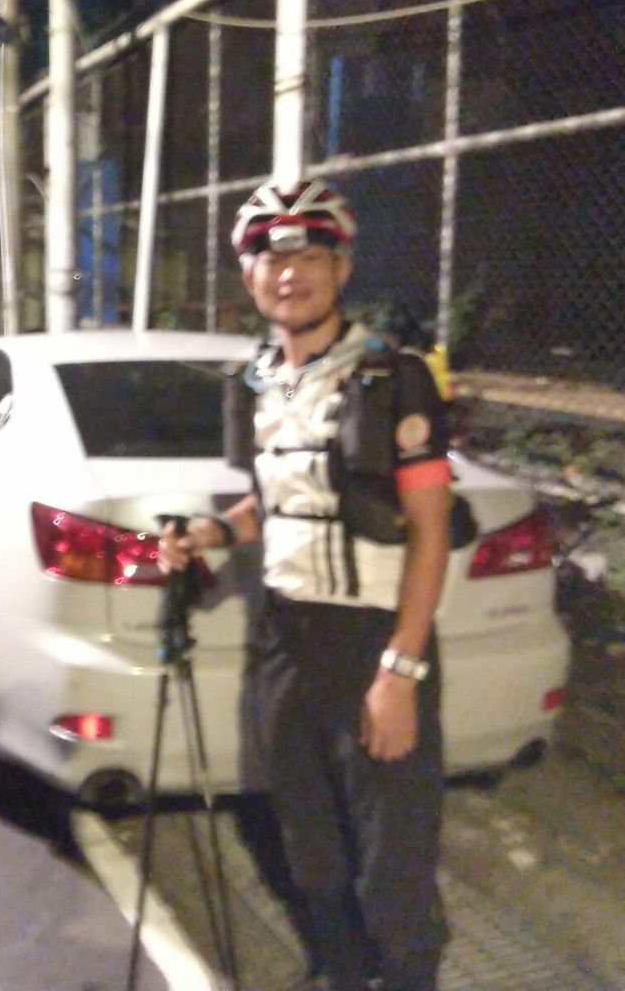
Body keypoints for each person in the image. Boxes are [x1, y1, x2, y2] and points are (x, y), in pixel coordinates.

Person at [159, 178, 453, 991]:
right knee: (310, 844)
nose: (291, 275)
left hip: (374, 641)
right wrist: (211, 534)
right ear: (249, 275)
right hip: (284, 641)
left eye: (312, 257)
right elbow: (277, 500)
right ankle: (340, 972)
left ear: (342, 267)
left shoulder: (392, 378)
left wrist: (401, 671)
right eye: (271, 259)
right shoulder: (256, 382)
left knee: (393, 864)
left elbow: (430, 532)